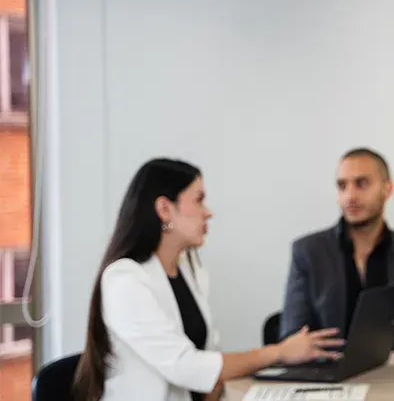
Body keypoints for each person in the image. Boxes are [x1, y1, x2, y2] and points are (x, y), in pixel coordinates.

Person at [72, 159, 344, 401]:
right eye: (199, 200)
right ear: (165, 209)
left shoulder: (189, 271)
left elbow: (208, 359)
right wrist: (279, 353)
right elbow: (186, 366)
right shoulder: (125, 280)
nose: (208, 212)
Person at [279, 148, 394, 349]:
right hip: (327, 370)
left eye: (361, 184)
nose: (350, 196)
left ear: (387, 189)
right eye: (342, 185)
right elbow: (292, 336)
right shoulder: (308, 251)